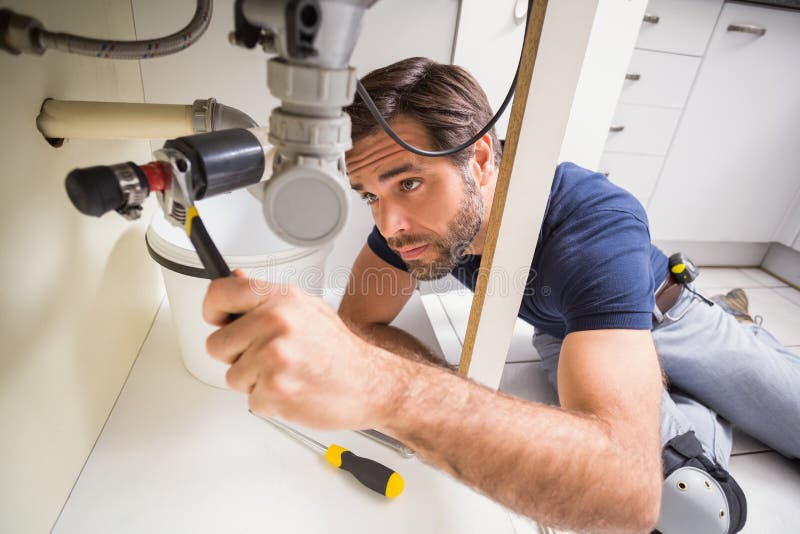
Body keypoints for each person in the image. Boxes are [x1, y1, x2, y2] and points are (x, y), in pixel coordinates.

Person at [202, 57, 800, 533]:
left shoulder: (594, 220)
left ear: (481, 159)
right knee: (695, 510)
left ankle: (732, 330)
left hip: (669, 315)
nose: (388, 224)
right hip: (566, 335)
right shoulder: (407, 230)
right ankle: (700, 394)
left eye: (409, 182)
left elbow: (623, 487)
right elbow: (359, 327)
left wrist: (394, 390)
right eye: (370, 196)